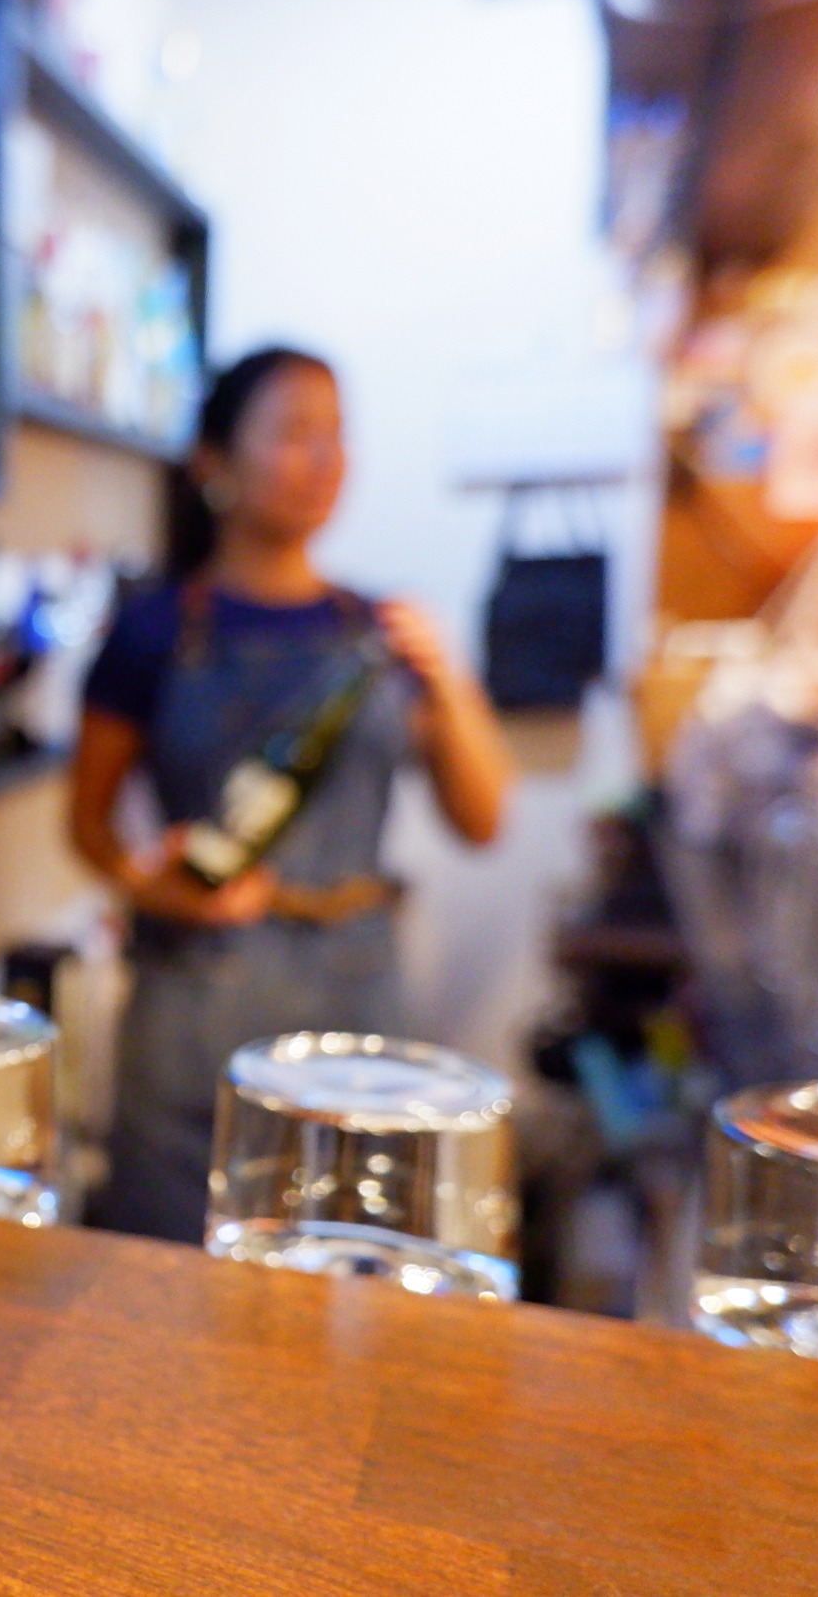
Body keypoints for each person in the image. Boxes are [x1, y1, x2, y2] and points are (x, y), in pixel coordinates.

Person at [69, 347, 513, 1243]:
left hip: (358, 990)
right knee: (172, 1266)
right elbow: (87, 824)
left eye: (337, 434)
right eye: (293, 432)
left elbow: (480, 818)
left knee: (357, 1260)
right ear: (216, 463)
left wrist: (450, 678)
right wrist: (150, 886)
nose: (323, 458)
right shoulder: (152, 629)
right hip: (194, 994)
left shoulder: (383, 632)